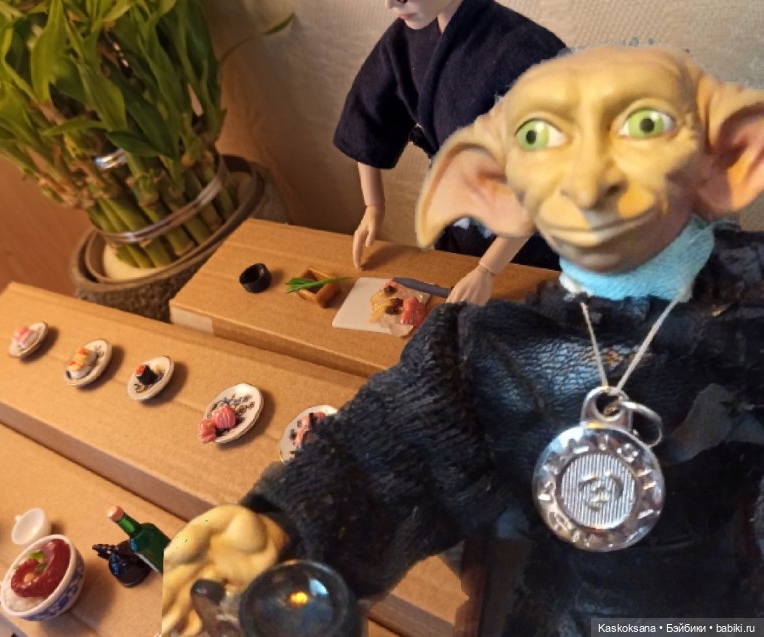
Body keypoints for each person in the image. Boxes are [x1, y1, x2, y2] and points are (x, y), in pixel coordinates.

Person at [163, 47, 764, 636]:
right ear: (493, 187)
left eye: (644, 126)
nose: (587, 177)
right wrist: (287, 519)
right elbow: (392, 442)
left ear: (732, 157)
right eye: (540, 138)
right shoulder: (484, 347)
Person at [334, 0, 565, 305]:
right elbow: (371, 111)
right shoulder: (409, 34)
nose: (391, 3)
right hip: (457, 229)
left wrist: (487, 270)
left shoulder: (524, 50)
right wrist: (373, 205)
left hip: (525, 246)